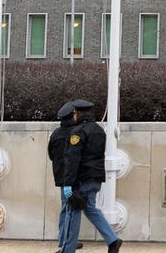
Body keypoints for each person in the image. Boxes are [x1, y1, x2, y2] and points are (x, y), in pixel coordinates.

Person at [61, 99, 124, 253]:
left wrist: (68, 182)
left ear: (77, 113)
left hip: (81, 179)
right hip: (96, 178)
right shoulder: (99, 130)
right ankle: (113, 240)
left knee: (73, 210)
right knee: (90, 208)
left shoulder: (77, 132)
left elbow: (73, 159)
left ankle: (68, 250)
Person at [48, 101, 84, 253]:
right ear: (73, 115)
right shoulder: (76, 132)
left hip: (60, 175)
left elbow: (50, 154)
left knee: (65, 207)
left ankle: (64, 240)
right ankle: (67, 243)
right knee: (71, 208)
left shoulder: (56, 133)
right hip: (73, 175)